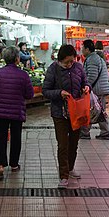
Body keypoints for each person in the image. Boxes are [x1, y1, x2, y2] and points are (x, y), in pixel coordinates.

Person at [42, 44, 89, 189]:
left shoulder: (78, 67)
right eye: (67, 62)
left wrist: (87, 87)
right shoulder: (53, 69)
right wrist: (59, 93)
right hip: (59, 113)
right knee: (63, 144)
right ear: (60, 60)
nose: (70, 64)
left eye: (72, 61)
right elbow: (45, 90)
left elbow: (84, 82)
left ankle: (70, 168)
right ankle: (63, 176)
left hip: (76, 113)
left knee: (74, 143)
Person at [0, 46, 35, 180]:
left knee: (1, 139)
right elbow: (30, 94)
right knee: (16, 138)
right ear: (17, 59)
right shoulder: (23, 75)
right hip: (16, 113)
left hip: (0, 113)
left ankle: (1, 166)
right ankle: (14, 164)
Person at [80, 39, 109, 140]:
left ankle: (86, 132)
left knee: (92, 111)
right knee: (99, 111)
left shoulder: (92, 59)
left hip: (96, 90)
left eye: (82, 48)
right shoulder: (94, 58)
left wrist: (86, 87)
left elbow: (92, 76)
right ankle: (104, 132)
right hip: (99, 89)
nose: (81, 50)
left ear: (87, 49)